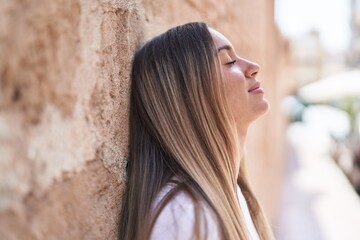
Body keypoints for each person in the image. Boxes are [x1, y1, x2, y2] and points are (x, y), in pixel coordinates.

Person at [119, 22, 274, 240]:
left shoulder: (231, 193)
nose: (253, 66)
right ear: (190, 96)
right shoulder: (182, 216)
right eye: (229, 61)